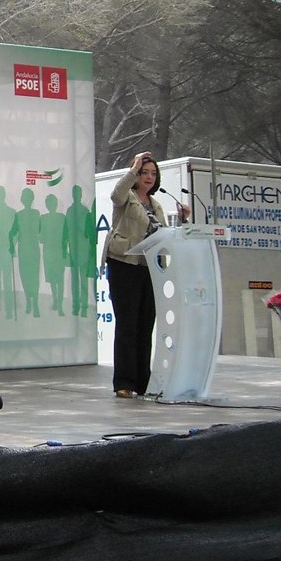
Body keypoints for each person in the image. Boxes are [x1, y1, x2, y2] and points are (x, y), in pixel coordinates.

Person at [102, 152, 187, 397]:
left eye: (153, 173)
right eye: (144, 172)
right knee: (127, 324)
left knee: (145, 324)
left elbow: (163, 236)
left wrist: (183, 221)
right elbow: (115, 194)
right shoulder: (125, 197)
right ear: (136, 174)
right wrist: (133, 167)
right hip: (124, 264)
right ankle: (124, 383)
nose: (149, 177)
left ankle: (142, 382)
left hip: (150, 267)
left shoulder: (156, 204)